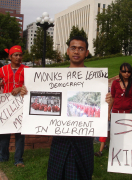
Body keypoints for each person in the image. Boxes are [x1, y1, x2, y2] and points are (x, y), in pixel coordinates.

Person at [21, 36, 111, 180]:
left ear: (86, 53)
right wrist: (26, 93)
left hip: (84, 142)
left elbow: (105, 114)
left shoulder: (96, 80)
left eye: (81, 49)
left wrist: (108, 102)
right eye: (73, 48)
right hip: (60, 140)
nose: (76, 52)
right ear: (67, 51)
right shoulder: (54, 78)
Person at [94, 63, 132, 157]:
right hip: (116, 111)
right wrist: (108, 112)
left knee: (126, 133)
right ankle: (112, 151)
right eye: (124, 71)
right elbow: (113, 98)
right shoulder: (115, 83)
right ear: (120, 72)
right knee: (114, 131)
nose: (126, 73)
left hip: (128, 112)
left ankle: (126, 150)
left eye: (128, 71)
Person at [0, 45, 29, 167]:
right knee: (4, 134)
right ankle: (3, 157)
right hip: (6, 106)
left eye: (20, 55)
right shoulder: (2, 70)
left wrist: (20, 88)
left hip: (21, 105)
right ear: (10, 56)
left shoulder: (27, 69)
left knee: (20, 135)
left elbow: (33, 86)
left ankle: (18, 159)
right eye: (15, 55)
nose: (18, 57)